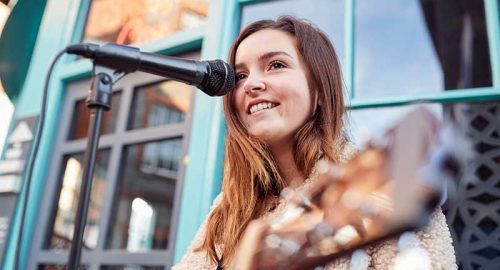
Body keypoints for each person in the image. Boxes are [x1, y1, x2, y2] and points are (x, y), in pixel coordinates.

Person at [172, 16, 456, 270]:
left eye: (276, 65)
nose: (250, 84)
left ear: (320, 89)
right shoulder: (227, 207)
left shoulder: (385, 185)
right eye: (241, 75)